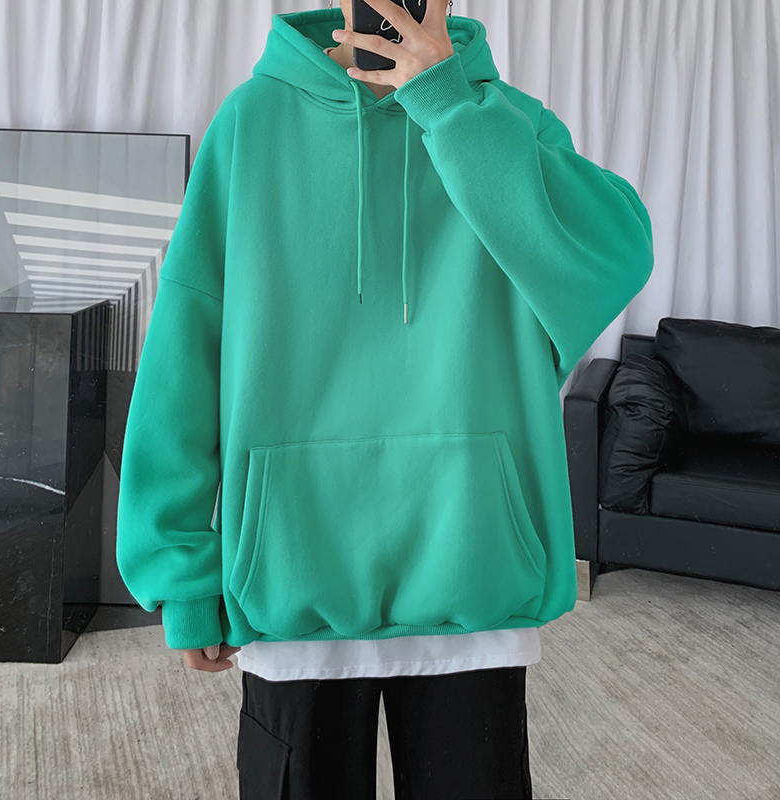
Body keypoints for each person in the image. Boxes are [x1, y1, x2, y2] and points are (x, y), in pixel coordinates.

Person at [116, 0, 654, 797]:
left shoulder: (505, 121)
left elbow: (614, 255)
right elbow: (185, 352)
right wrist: (181, 570)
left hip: (471, 576)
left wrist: (449, 104)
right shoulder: (252, 123)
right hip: (292, 579)